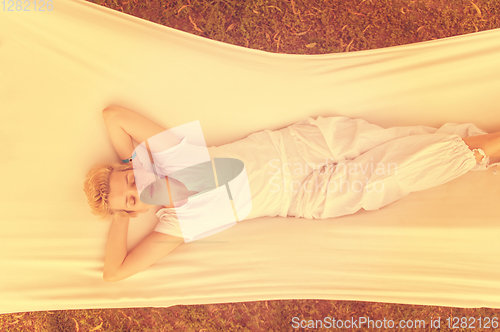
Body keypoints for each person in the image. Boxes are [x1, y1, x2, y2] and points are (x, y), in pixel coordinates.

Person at [83, 105, 500, 282]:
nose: (141, 188)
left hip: (305, 144)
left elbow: (113, 115)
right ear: (135, 213)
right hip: (309, 196)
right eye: (134, 200)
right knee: (402, 171)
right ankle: (489, 148)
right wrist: (121, 212)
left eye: (133, 179)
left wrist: (134, 167)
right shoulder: (175, 224)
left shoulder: (172, 156)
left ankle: (487, 146)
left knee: (411, 141)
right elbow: (114, 273)